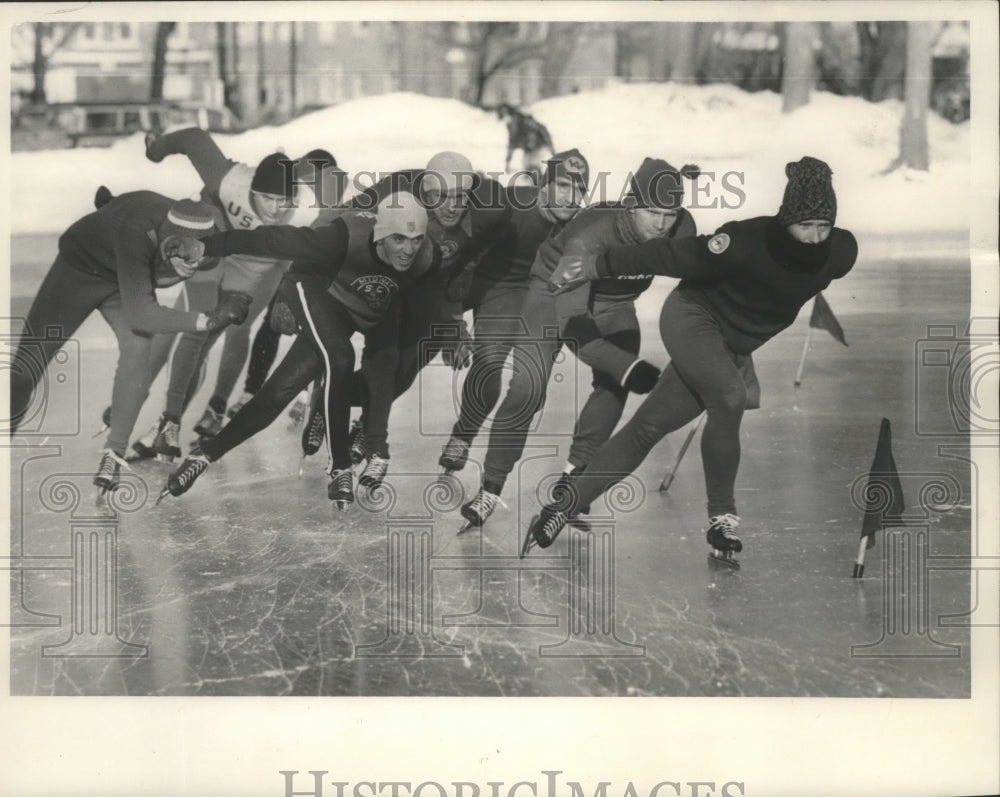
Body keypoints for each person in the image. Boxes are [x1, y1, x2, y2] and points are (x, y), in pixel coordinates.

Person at [527, 156, 858, 561]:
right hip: (692, 318)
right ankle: (722, 518)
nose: (813, 237)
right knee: (729, 397)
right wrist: (596, 264)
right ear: (785, 218)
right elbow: (666, 256)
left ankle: (561, 507)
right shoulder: (745, 241)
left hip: (729, 346)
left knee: (648, 427)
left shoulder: (840, 253)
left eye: (823, 226)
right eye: (804, 225)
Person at [458, 158, 701, 530]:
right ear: (630, 204)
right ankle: (491, 486)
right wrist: (625, 365)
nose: (661, 224)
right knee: (529, 385)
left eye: (670, 213)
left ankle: (572, 480)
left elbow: (706, 279)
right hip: (554, 291)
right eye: (652, 212)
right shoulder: (589, 236)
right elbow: (573, 323)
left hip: (615, 303)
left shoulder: (681, 228)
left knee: (613, 387)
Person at [157, 192, 441, 509]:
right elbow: (273, 239)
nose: (408, 249)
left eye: (416, 240)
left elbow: (429, 308)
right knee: (340, 357)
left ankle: (204, 454)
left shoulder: (427, 258)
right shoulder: (341, 237)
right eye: (399, 239)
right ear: (381, 233)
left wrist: (452, 325)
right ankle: (340, 467)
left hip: (365, 309)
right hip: (316, 291)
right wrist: (207, 246)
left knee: (284, 391)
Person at [6, 193, 250, 493]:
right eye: (177, 247)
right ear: (164, 235)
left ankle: (114, 453)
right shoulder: (137, 233)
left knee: (138, 348)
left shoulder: (212, 237)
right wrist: (206, 320)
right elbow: (143, 316)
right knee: (25, 372)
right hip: (79, 269)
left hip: (122, 277)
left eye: (198, 249)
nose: (189, 256)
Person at [138, 129, 346, 462]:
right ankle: (170, 421)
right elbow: (193, 138)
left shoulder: (308, 212)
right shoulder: (228, 179)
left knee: (232, 325)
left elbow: (333, 251)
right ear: (253, 191)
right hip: (219, 239)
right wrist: (156, 149)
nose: (277, 210)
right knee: (198, 327)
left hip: (265, 257)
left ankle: (216, 408)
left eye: (285, 203)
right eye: (268, 200)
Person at [341, 152, 508, 463]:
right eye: (440, 196)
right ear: (425, 193)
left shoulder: (491, 211)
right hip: (388, 284)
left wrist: (454, 323)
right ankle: (345, 408)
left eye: (460, 196)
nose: (451, 205)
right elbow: (340, 223)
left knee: (406, 371)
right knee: (386, 362)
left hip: (431, 293)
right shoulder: (396, 189)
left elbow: (463, 269)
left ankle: (362, 420)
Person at [438, 148, 590, 474]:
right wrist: (452, 315)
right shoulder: (512, 204)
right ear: (543, 185)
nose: (570, 197)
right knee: (490, 359)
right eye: (563, 186)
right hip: (497, 285)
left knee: (530, 381)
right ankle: (464, 433)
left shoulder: (580, 225)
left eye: (579, 190)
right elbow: (465, 251)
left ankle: (496, 467)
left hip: (541, 292)